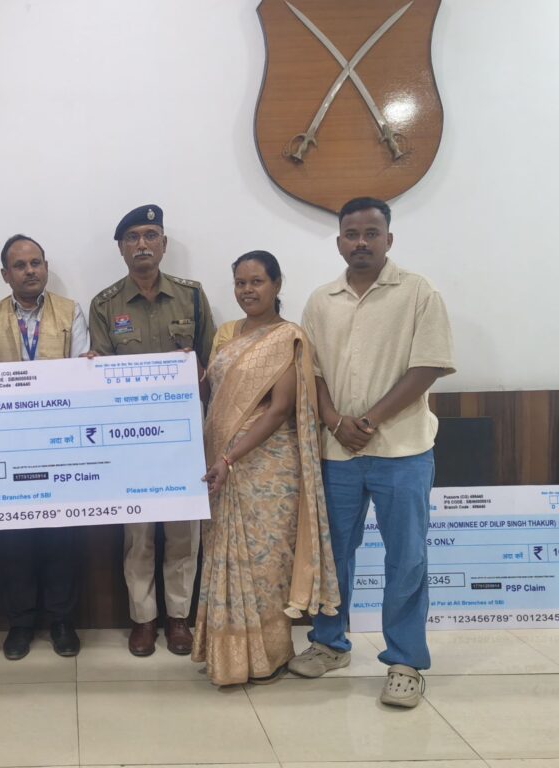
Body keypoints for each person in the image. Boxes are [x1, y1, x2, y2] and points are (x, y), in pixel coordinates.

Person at [291, 197, 455, 708]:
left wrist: (368, 421)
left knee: (406, 557)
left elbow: (429, 365)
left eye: (371, 233)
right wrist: (335, 421)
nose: (360, 242)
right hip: (337, 450)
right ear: (339, 240)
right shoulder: (321, 301)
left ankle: (405, 661)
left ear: (389, 238)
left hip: (402, 449)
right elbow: (311, 373)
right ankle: (329, 643)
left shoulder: (418, 293)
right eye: (351, 233)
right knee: (333, 554)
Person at [192, 251, 340, 686]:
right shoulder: (227, 335)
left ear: (276, 284)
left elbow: (278, 409)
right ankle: (227, 656)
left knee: (264, 565)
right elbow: (209, 393)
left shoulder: (288, 336)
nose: (247, 290)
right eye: (240, 283)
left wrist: (230, 458)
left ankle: (268, 656)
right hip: (219, 464)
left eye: (256, 281)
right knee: (223, 557)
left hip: (267, 469)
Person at [88, 204, 217, 656]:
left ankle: (178, 618)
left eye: (150, 235)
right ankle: (143, 620)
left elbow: (213, 365)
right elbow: (99, 375)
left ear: (163, 243)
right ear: (121, 248)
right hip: (130, 439)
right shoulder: (104, 304)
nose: (142, 244)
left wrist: (200, 385)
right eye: (133, 237)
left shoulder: (191, 297)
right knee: (138, 533)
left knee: (183, 531)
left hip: (183, 437)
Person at [0, 234, 89, 659]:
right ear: (6, 275)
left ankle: (61, 621)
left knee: (61, 536)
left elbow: (81, 374)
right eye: (19, 265)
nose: (30, 271)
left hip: (60, 445)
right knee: (15, 537)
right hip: (10, 447)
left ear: (45, 266)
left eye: (36, 262)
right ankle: (20, 623)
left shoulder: (71, 311)